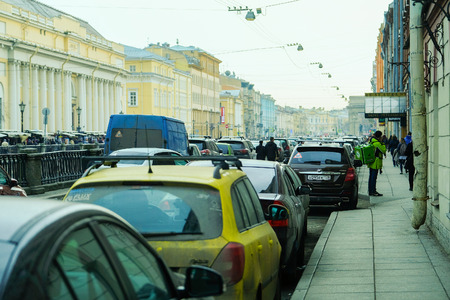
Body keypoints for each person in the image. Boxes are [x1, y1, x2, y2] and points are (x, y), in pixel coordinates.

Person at [368, 130, 386, 196]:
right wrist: (382, 143)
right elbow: (383, 150)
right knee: (373, 178)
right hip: (375, 163)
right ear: (379, 136)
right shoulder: (377, 143)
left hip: (371, 162)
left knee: (371, 177)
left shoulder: (371, 142)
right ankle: (373, 191)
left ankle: (370, 191)